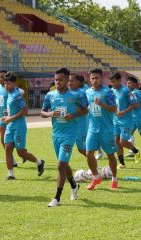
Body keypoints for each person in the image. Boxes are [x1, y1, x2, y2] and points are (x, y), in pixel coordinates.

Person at [42, 68, 88, 207]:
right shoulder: (50, 95)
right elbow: (42, 112)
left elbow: (85, 110)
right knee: (64, 164)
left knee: (60, 165)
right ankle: (74, 185)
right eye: (56, 80)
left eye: (60, 80)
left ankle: (56, 198)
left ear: (67, 80)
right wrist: (51, 114)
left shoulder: (76, 95)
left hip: (70, 134)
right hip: (56, 134)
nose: (57, 82)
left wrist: (73, 115)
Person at [2, 72, 45, 180]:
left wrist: (10, 118)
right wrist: (7, 114)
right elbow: (13, 109)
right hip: (10, 126)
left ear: (14, 83)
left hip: (19, 126)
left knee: (20, 152)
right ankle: (11, 174)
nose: (6, 85)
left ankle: (39, 162)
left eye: (8, 83)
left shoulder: (17, 95)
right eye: (5, 83)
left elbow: (25, 111)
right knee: (7, 149)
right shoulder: (9, 94)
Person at [85, 68, 118, 190]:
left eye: (97, 78)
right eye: (92, 78)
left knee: (110, 155)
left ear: (101, 78)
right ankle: (96, 177)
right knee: (89, 153)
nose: (94, 80)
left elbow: (114, 109)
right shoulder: (87, 92)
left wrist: (101, 104)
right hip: (92, 129)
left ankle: (114, 179)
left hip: (106, 130)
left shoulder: (107, 92)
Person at [109, 72, 141, 168]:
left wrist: (124, 111)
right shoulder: (112, 91)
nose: (112, 84)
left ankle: (136, 151)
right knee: (116, 141)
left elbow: (135, 104)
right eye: (111, 82)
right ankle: (122, 163)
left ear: (119, 80)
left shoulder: (126, 91)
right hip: (115, 120)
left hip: (126, 121)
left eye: (114, 81)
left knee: (122, 142)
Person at [69, 73, 89, 156]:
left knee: (81, 149)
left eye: (72, 80)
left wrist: (79, 109)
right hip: (69, 125)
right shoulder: (66, 93)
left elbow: (87, 108)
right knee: (65, 147)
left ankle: (94, 165)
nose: (70, 83)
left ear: (77, 81)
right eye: (69, 81)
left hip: (81, 125)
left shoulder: (82, 93)